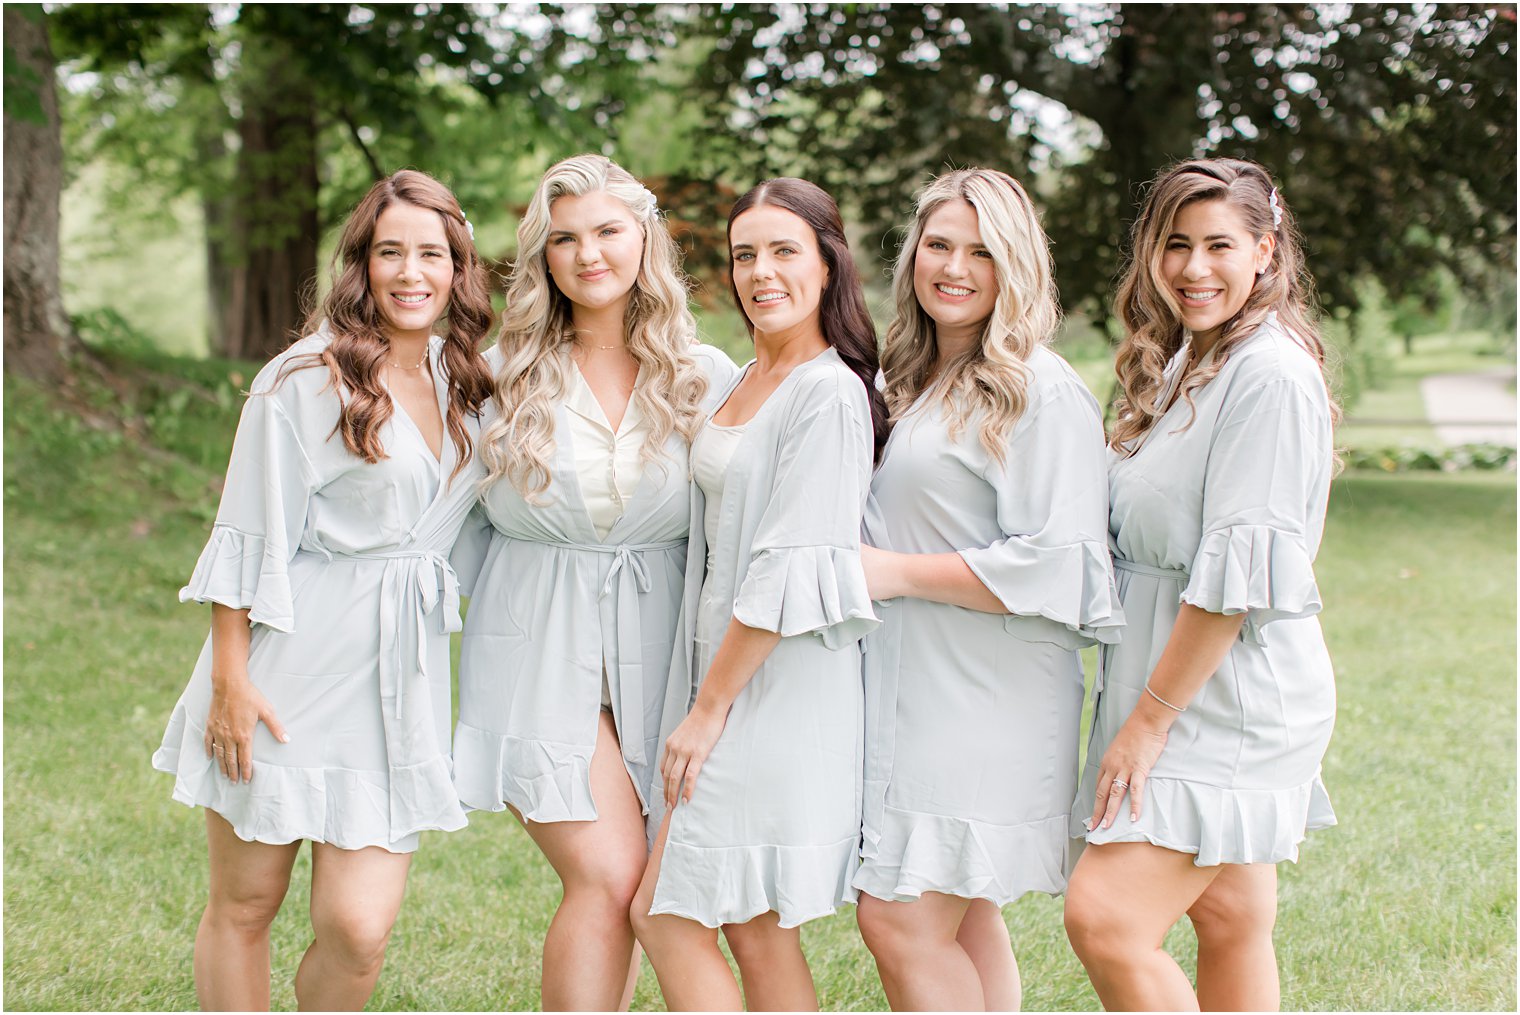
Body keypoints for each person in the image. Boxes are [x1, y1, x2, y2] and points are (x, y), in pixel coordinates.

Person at [151, 170, 494, 1010]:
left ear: (457, 268)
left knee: (360, 929)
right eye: (390, 253)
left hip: (397, 683)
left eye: (431, 254)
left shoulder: (469, 384)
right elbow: (246, 533)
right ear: (361, 265)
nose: (411, 272)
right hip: (285, 669)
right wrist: (231, 680)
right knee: (245, 904)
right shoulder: (303, 379)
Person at [450, 154, 738, 1012]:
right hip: (535, 646)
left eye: (608, 230)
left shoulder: (708, 375)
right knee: (609, 875)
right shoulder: (495, 378)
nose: (588, 254)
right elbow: (434, 520)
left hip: (667, 655)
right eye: (565, 238)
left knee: (644, 883)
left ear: (645, 239)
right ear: (542, 257)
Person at [1063, 158, 1338, 1012]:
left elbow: (1234, 583)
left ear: (1266, 248)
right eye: (1175, 244)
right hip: (1173, 679)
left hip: (1223, 698)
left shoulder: (1270, 373)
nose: (1192, 267)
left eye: (1219, 244)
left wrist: (1147, 724)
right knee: (1230, 915)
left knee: (1105, 918)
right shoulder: (1192, 356)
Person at [851, 168, 1123, 1011]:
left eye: (982, 251)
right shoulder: (921, 373)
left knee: (898, 917)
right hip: (921, 685)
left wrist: (888, 571)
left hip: (986, 699)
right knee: (961, 916)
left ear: (1019, 266)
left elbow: (1061, 565)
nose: (955, 267)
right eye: (939, 245)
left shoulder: (1040, 390)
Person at [629, 178, 887, 1011]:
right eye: (746, 254)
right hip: (728, 672)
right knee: (754, 925)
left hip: (771, 688)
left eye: (785, 250)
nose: (761, 271)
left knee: (667, 912)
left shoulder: (829, 392)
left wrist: (707, 710)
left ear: (827, 263)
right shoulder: (744, 375)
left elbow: (785, 571)